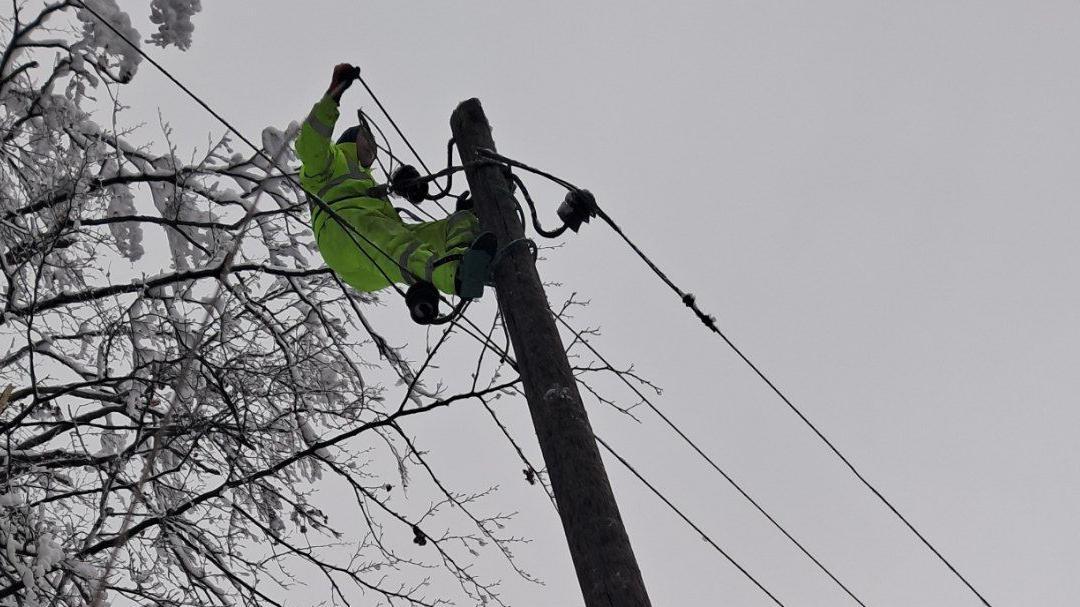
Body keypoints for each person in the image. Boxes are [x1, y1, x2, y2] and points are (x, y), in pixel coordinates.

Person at [294, 63, 493, 314]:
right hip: (344, 233)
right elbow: (310, 144)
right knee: (393, 240)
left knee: (452, 224)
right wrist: (333, 96)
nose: (373, 147)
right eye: (367, 138)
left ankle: (469, 261)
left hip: (376, 244)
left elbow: (387, 215)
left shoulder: (368, 181)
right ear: (352, 137)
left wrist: (406, 187)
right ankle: (454, 276)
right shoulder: (331, 161)